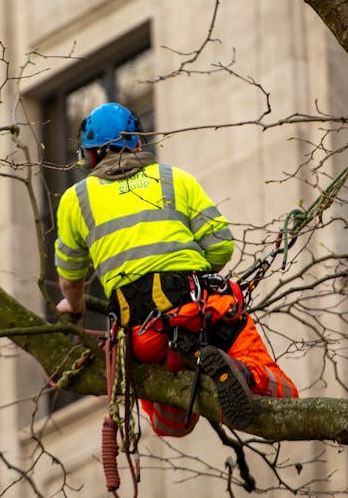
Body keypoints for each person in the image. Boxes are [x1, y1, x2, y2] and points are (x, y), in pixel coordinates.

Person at [54, 102, 297, 434]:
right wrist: (196, 268)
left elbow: (70, 278)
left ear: (92, 156)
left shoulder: (75, 199)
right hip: (202, 311)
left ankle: (180, 362)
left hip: (142, 336)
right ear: (137, 142)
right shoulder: (174, 179)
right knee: (284, 396)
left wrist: (76, 306)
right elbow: (222, 245)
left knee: (172, 426)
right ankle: (240, 372)